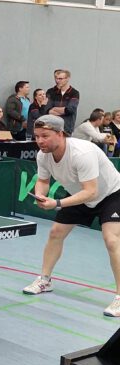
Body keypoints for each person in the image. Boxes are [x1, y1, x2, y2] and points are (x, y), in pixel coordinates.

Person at [23, 114, 120, 318]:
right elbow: (43, 181)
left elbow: (91, 191)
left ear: (60, 134)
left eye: (45, 136)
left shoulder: (81, 153)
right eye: (37, 136)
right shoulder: (43, 155)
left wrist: (57, 203)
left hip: (111, 193)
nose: (40, 141)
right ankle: (45, 280)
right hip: (80, 193)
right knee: (55, 233)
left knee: (112, 240)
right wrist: (41, 194)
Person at [41, 69, 79, 134]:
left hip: (66, 128)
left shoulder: (74, 93)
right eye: (56, 78)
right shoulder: (51, 91)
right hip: (51, 127)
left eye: (60, 79)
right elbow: (46, 109)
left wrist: (54, 108)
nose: (57, 81)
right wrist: (63, 110)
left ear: (67, 79)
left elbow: (70, 110)